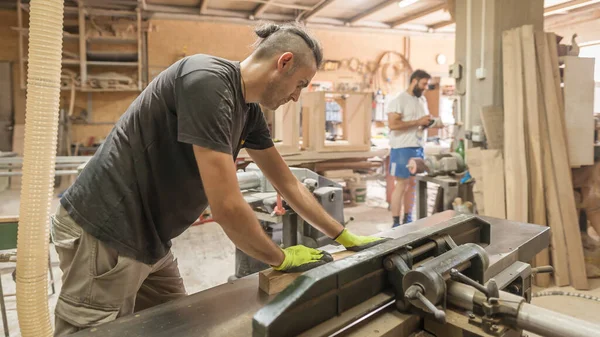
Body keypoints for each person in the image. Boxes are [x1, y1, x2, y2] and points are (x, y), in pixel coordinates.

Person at [50, 21, 387, 336]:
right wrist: (280, 258)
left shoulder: (248, 111)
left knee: (178, 323)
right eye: (300, 84)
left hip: (151, 238)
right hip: (106, 230)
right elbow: (226, 206)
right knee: (92, 329)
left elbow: (288, 183)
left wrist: (342, 236)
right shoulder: (206, 81)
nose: (297, 96)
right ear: (283, 62)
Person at [385, 70, 432, 227]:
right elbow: (393, 125)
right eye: (424, 84)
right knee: (401, 184)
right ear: (414, 81)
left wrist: (426, 124)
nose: (426, 87)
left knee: (413, 184)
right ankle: (396, 222)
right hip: (402, 148)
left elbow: (418, 123)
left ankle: (408, 219)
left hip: (418, 147)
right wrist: (418, 121)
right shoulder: (399, 100)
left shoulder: (422, 101)